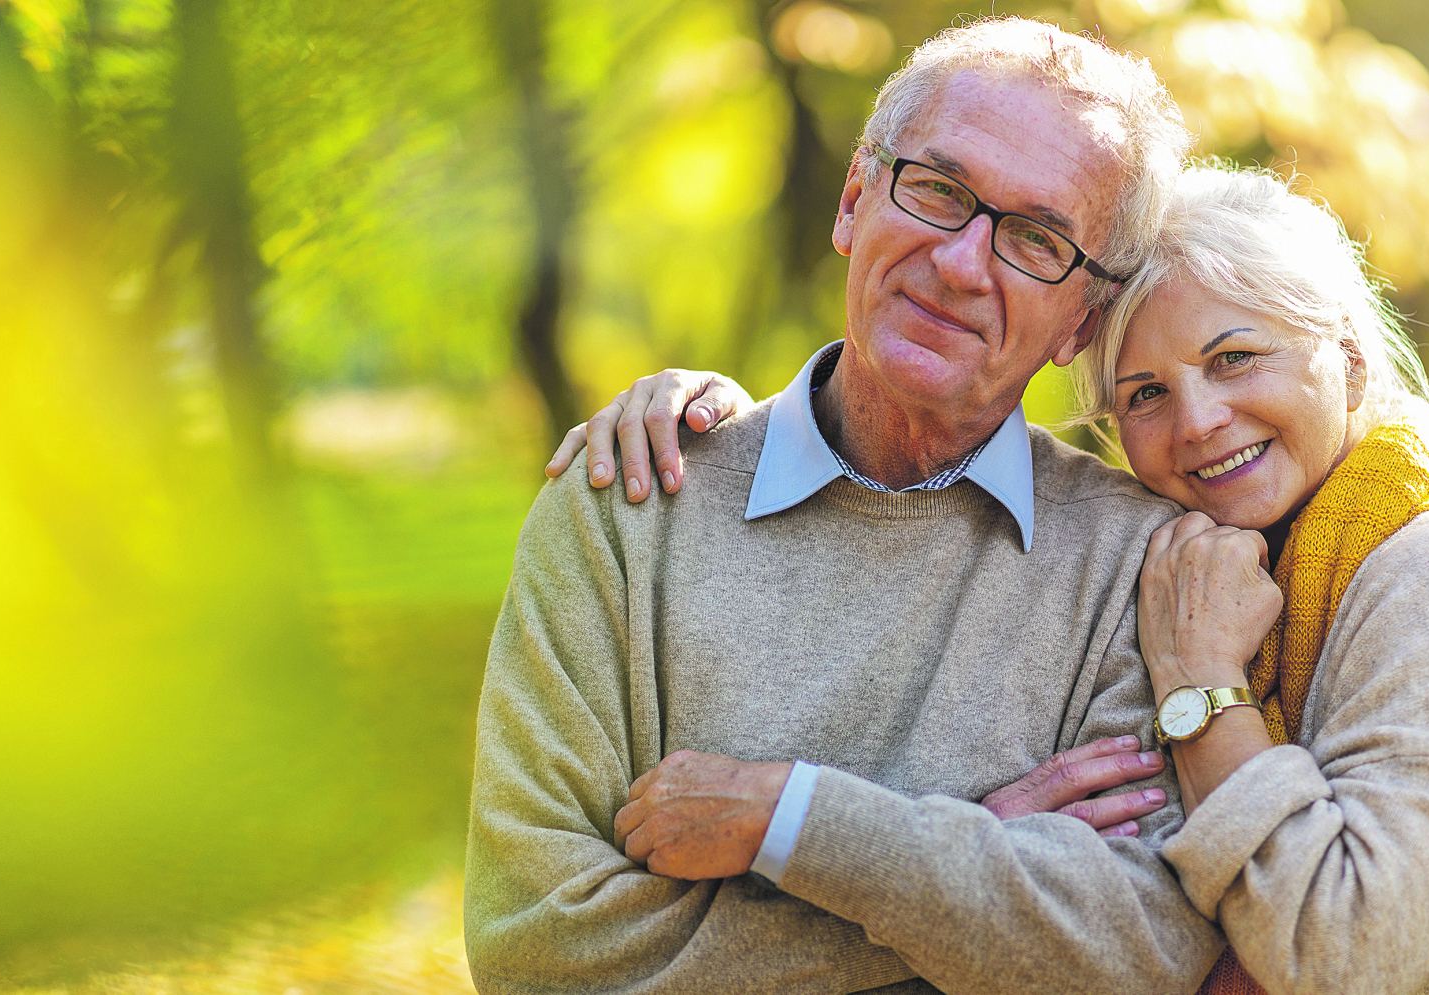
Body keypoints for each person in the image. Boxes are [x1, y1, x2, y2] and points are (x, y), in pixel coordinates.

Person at [565, 166, 1429, 994]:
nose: (1199, 420)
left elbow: (1348, 950)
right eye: (1146, 393)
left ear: (1349, 361)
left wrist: (1203, 686)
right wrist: (725, 426)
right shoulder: (1180, 566)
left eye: (1236, 357)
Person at [467, 17, 1226, 995]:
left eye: (1037, 239)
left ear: (1081, 319)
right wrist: (972, 857)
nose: (960, 264)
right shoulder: (628, 504)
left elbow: (1144, 941)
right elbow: (535, 945)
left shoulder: (1142, 567)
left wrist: (794, 822)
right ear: (854, 199)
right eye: (939, 191)